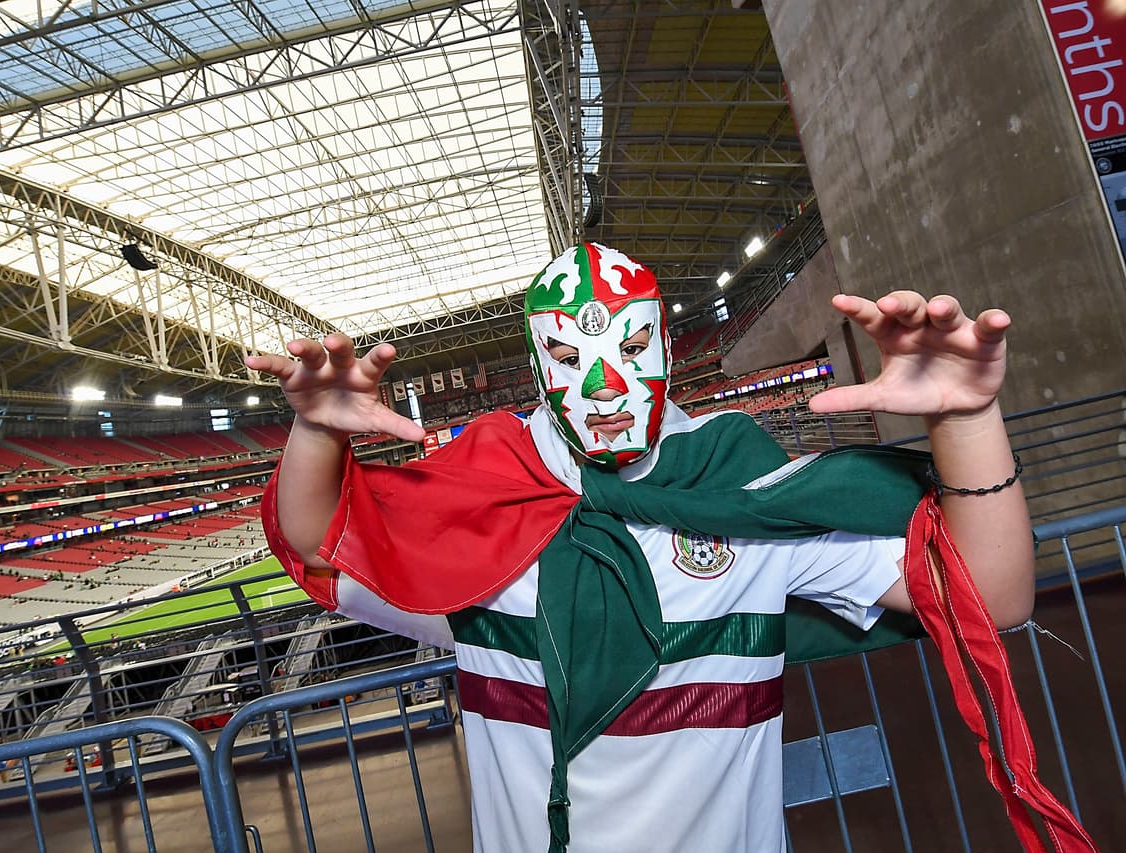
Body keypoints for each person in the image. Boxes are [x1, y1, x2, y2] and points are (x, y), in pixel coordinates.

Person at [249, 243, 1052, 852]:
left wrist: (967, 419)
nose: (602, 384)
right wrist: (316, 432)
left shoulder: (740, 489)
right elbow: (321, 541)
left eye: (629, 348)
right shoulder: (485, 502)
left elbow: (995, 597)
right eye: (569, 357)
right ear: (538, 368)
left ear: (665, 347)